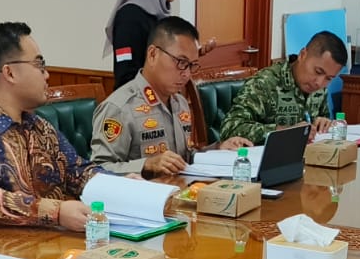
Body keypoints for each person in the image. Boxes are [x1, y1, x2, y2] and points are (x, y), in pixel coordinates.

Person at [0, 21, 103, 230]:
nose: (47, 74)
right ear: (10, 73)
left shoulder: (40, 126)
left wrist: (125, 186)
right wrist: (55, 212)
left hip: (52, 240)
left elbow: (78, 171)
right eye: (39, 65)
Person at [89, 16, 252, 176]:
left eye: (191, 65)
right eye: (181, 62)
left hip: (182, 189)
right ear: (153, 54)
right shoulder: (120, 108)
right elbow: (98, 170)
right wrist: (147, 164)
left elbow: (184, 158)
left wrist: (218, 149)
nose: (186, 74)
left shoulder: (179, 102)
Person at [217, 30, 346, 145]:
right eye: (318, 71)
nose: (319, 82)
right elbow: (230, 128)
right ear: (302, 55)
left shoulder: (320, 88)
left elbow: (321, 119)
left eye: (329, 78)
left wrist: (323, 123)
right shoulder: (264, 83)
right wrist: (282, 132)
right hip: (265, 159)